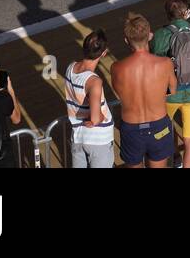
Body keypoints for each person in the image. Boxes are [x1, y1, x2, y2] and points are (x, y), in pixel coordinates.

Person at [150, 0, 190, 169]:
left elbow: (155, 60)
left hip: (169, 93)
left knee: (167, 127)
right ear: (186, 12)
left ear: (168, 15)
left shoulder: (161, 34)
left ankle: (175, 156)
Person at [112, 14, 176, 169]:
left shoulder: (117, 67)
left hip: (131, 128)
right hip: (158, 125)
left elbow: (119, 91)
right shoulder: (165, 63)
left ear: (127, 40)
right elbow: (172, 90)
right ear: (150, 36)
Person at [63, 29, 114, 168]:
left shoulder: (70, 67)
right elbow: (95, 118)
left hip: (78, 137)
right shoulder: (94, 82)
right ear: (103, 54)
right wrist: (101, 116)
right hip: (99, 140)